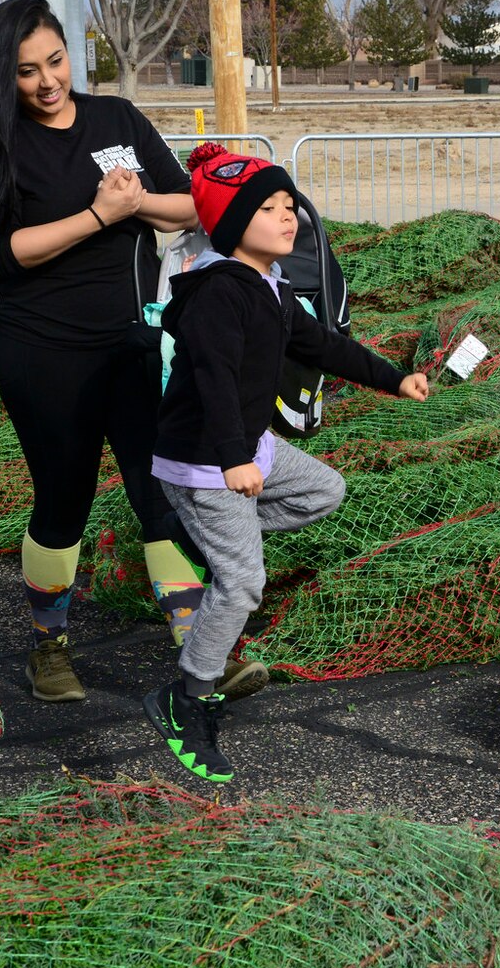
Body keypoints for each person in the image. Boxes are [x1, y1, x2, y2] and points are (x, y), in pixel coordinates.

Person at [0, 0, 226, 706]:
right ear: (1, 78)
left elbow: (191, 203)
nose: (47, 81)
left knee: (161, 492)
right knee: (62, 501)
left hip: (135, 345)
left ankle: (199, 652)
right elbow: (2, 254)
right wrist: (98, 214)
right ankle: (50, 648)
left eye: (56, 61)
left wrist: (136, 205)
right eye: (27, 70)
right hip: (44, 354)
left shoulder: (117, 119)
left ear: (72, 52)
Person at [145, 144, 430, 783]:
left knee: (324, 491)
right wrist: (231, 460)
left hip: (251, 452)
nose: (287, 218)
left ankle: (213, 543)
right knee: (244, 582)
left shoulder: (270, 287)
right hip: (208, 461)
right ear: (230, 225)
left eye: (288, 206)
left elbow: (325, 345)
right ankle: (185, 697)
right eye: (268, 208)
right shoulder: (221, 292)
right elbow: (215, 379)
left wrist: (394, 378)